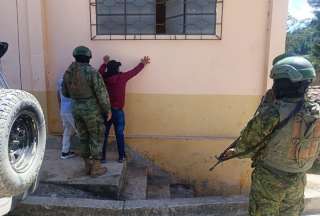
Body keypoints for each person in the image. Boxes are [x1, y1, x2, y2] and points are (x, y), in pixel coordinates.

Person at [223, 56, 320, 215]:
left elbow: (247, 145)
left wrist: (234, 152)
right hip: (298, 179)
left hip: (269, 180)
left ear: (283, 84)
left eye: (276, 81)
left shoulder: (273, 113)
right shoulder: (316, 111)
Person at [62, 46, 112, 177]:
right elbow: (101, 93)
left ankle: (87, 166)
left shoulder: (68, 72)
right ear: (89, 57)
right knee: (96, 136)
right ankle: (96, 168)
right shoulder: (92, 72)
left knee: (83, 137)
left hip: (75, 109)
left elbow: (65, 93)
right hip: (91, 110)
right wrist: (107, 109)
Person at [100, 56, 151, 163]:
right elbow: (134, 72)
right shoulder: (122, 77)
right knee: (119, 135)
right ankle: (121, 157)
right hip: (118, 111)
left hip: (105, 111)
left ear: (108, 69)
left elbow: (99, 72)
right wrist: (142, 63)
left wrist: (104, 63)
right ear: (117, 69)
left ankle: (102, 157)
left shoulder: (103, 78)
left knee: (104, 135)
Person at [57, 77, 77, 159]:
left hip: (63, 110)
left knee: (67, 131)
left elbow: (58, 95)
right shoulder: (73, 81)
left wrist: (60, 107)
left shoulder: (60, 81)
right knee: (81, 131)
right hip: (71, 111)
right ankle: (87, 154)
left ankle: (65, 152)